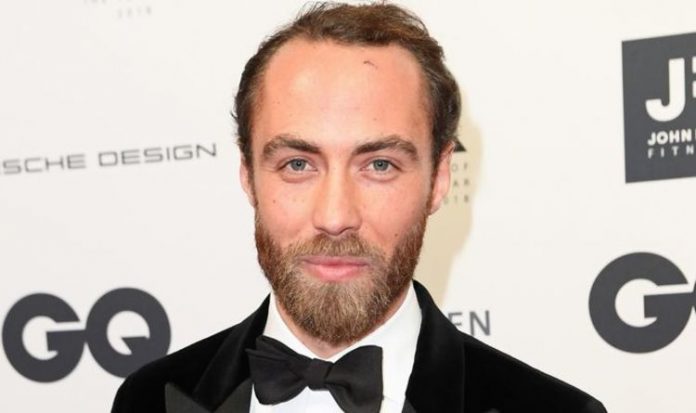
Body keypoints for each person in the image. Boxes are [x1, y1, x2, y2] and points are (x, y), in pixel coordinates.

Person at [111, 2, 606, 412]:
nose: (335, 217)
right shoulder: (148, 400)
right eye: (298, 164)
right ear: (248, 176)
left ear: (439, 179)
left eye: (379, 165)